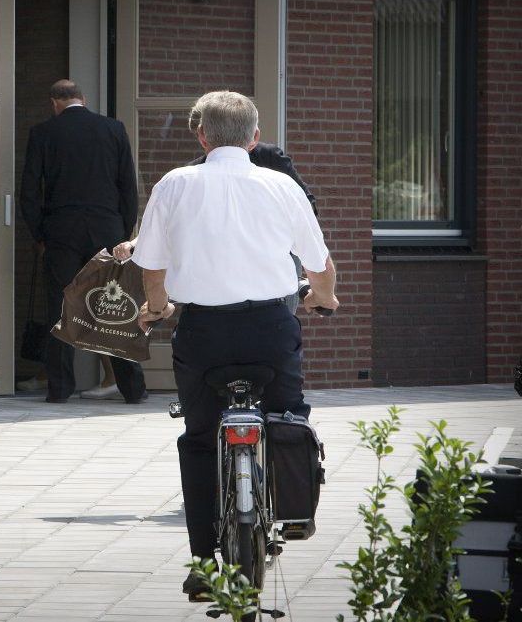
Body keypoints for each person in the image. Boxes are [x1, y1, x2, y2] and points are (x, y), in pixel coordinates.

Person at [129, 90, 339, 600]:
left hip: (203, 333)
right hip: (271, 327)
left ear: (202, 136)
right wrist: (322, 298)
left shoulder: (176, 183)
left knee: (201, 439)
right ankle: (290, 511)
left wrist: (157, 308)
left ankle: (204, 564)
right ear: (254, 137)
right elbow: (320, 266)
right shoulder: (280, 185)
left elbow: (151, 263)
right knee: (287, 420)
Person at [20, 79, 147, 404]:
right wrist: (124, 235)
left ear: (54, 103)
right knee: (115, 307)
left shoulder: (44, 133)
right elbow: (127, 188)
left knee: (60, 308)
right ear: (82, 98)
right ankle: (132, 389)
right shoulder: (113, 129)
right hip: (106, 231)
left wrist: (40, 235)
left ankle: (60, 389)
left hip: (61, 233)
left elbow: (30, 192)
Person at [115, 112, 317, 314]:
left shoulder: (268, 157)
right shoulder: (192, 173)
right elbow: (169, 222)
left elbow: (307, 208)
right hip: (219, 271)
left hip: (269, 267)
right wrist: (135, 243)